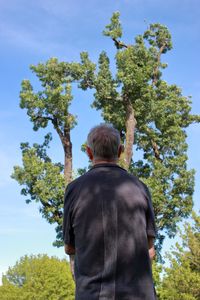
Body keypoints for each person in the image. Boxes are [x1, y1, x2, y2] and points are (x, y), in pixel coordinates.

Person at [63, 123, 156, 300]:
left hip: (92, 295)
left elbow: (69, 247)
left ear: (89, 152)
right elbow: (150, 250)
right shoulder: (141, 188)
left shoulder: (74, 189)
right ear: (120, 151)